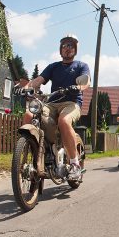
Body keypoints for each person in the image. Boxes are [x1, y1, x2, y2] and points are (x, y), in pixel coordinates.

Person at [22, 34, 90, 180]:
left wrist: (78, 86)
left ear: (75, 50)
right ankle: (33, 154)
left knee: (64, 121)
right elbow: (38, 80)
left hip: (71, 103)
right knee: (29, 115)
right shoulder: (53, 67)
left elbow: (86, 82)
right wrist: (27, 87)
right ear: (60, 50)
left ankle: (74, 164)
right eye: (65, 45)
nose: (67, 48)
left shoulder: (81, 66)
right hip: (52, 103)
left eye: (71, 46)